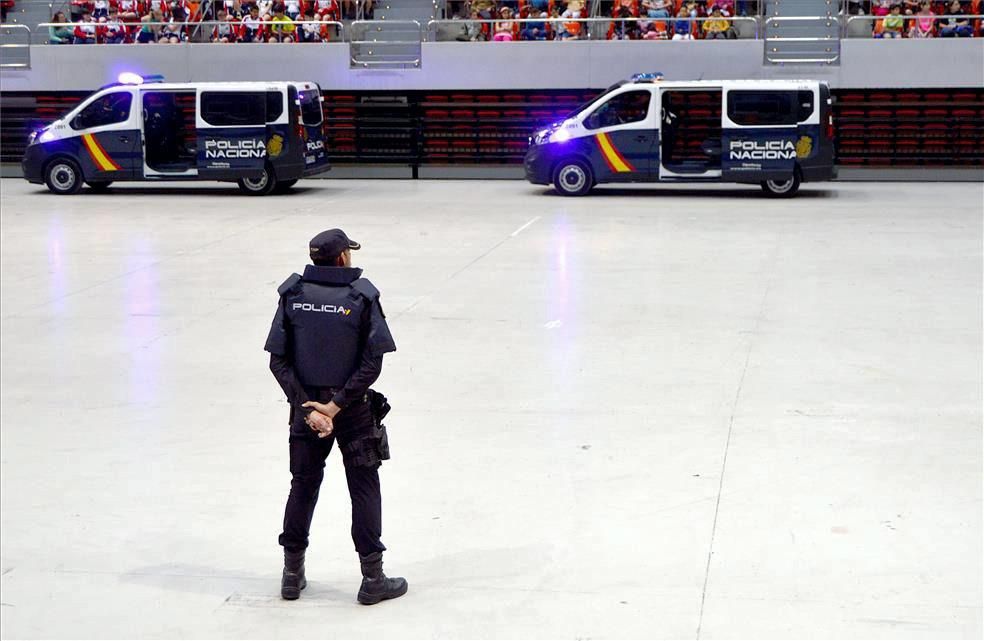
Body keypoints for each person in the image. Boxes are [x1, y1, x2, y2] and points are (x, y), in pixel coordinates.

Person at [265, 229, 407, 606]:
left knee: (303, 486)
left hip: (306, 414)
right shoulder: (361, 297)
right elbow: (372, 361)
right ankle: (372, 578)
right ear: (343, 257)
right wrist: (337, 404)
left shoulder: (292, 296)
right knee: (363, 487)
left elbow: (277, 359)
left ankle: (292, 574)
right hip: (354, 411)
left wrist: (308, 407)